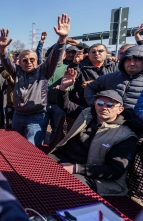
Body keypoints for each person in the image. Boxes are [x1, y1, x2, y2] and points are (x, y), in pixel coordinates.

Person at [51, 68, 137, 196]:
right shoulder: (87, 114)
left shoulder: (125, 135)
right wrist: (63, 88)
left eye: (110, 105)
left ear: (120, 110)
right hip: (65, 159)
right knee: (34, 167)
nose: (104, 107)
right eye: (100, 103)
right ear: (95, 103)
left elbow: (114, 170)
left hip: (94, 177)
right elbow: (67, 106)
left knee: (57, 186)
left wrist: (76, 168)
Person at [0, 14, 68, 146]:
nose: (28, 62)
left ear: (37, 61)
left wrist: (62, 39)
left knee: (32, 148)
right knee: (17, 146)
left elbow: (54, 57)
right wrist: (2, 49)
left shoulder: (43, 71)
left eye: (32, 60)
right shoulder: (17, 71)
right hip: (18, 115)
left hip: (36, 118)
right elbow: (6, 61)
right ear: (19, 61)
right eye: (25, 60)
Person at [84, 45, 143, 134]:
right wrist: (95, 105)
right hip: (106, 126)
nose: (132, 63)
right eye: (128, 60)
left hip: (135, 129)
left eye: (136, 60)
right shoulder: (110, 78)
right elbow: (90, 88)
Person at [68, 43, 118, 107]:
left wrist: (95, 83)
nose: (97, 53)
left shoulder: (114, 66)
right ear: (88, 54)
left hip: (109, 105)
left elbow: (119, 84)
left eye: (100, 51)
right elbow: (71, 76)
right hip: (86, 105)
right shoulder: (81, 66)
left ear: (106, 53)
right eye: (93, 51)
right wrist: (75, 63)